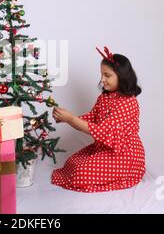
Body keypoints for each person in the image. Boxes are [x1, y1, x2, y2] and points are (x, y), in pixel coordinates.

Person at [51, 46, 145, 192]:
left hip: (124, 155)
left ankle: (129, 172)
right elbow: (90, 119)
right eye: (101, 75)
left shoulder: (128, 102)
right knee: (72, 163)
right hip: (104, 149)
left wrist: (70, 119)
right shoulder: (104, 98)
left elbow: (100, 130)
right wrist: (67, 118)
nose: (102, 80)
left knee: (80, 173)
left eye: (107, 75)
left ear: (122, 76)